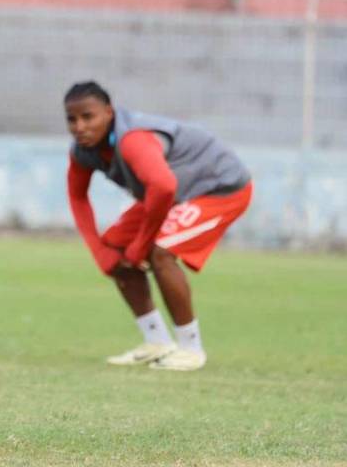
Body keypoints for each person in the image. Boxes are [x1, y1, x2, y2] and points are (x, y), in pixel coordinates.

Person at [64, 81, 252, 371]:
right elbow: (77, 197)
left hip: (219, 189)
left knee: (161, 252)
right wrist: (99, 252)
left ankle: (191, 350)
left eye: (88, 117)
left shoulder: (133, 139)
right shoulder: (82, 151)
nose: (80, 127)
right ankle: (157, 342)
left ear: (109, 113)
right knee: (114, 248)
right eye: (72, 119)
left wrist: (140, 246)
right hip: (174, 193)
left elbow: (164, 187)